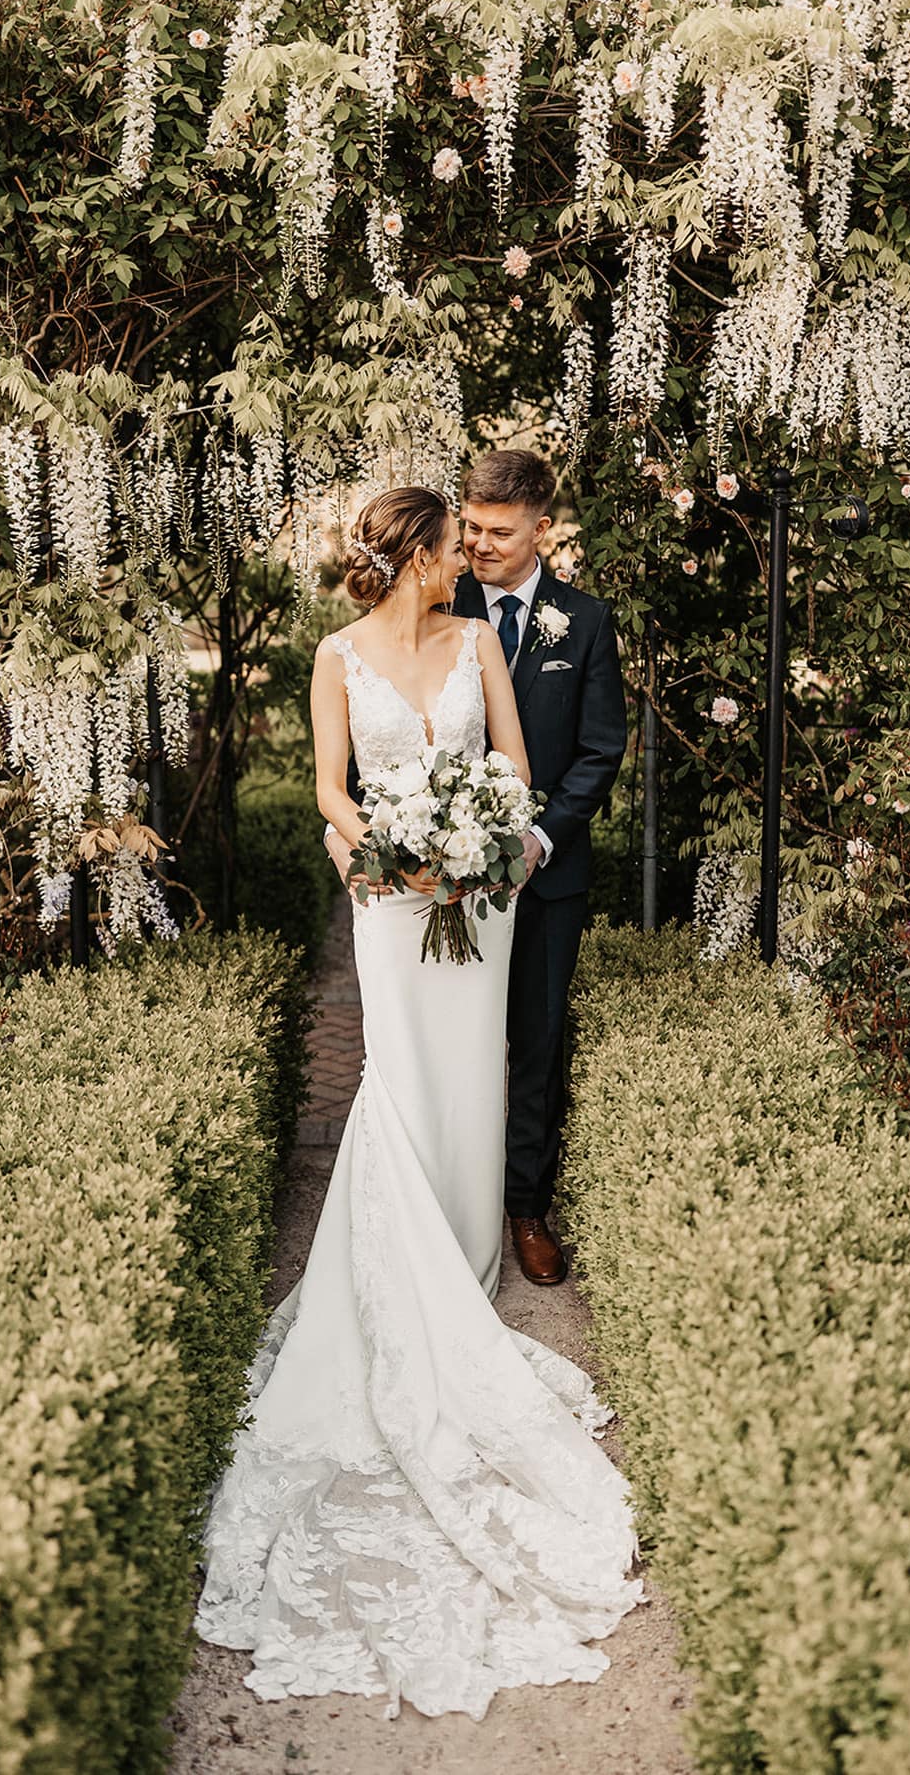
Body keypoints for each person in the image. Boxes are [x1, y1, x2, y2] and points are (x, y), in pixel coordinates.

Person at [194, 484, 640, 1721]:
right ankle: (409, 1271)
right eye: (451, 547)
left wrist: (478, 838)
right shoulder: (336, 656)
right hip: (390, 900)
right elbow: (332, 791)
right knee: (399, 1067)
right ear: (417, 556)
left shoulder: (480, 641)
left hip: (478, 896)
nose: (463, 562)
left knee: (473, 1064)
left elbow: (516, 768)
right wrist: (378, 853)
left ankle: (469, 1244)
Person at [326, 450, 627, 1285]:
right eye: (472, 530)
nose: (481, 546)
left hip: (542, 873)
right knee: (432, 1056)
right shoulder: (432, 596)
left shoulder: (584, 622)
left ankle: (524, 1208)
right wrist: (363, 846)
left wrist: (532, 841)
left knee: (535, 1041)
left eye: (500, 532)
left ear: (542, 529)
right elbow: (355, 771)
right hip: (422, 882)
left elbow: (599, 751)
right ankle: (428, 1218)